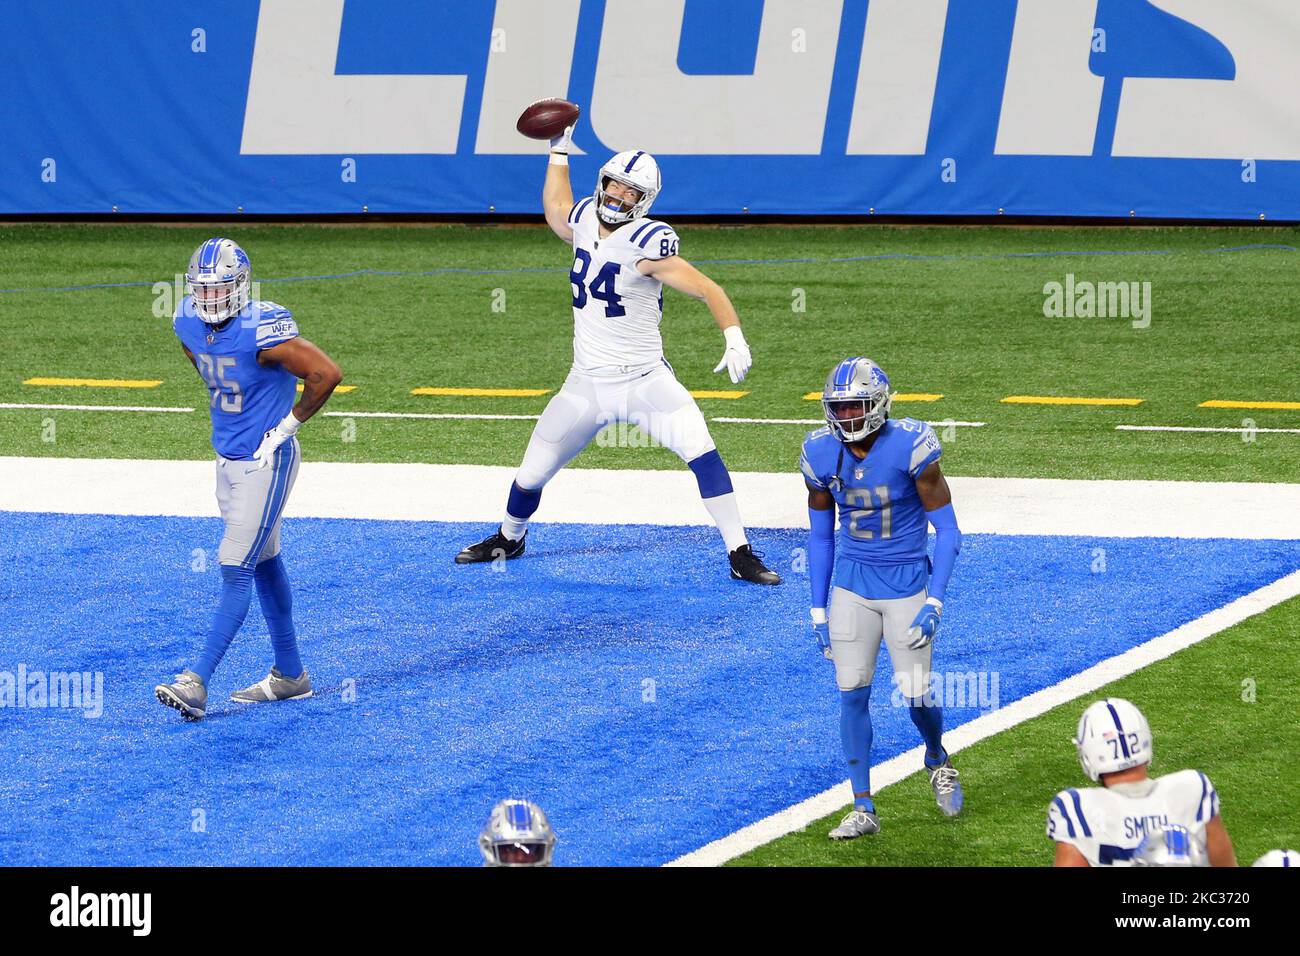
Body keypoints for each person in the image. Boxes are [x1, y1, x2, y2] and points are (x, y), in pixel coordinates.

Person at [455, 119, 778, 585]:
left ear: (643, 201)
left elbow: (708, 288)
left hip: (645, 380)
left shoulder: (649, 243)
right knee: (531, 473)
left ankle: (740, 552)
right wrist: (558, 150)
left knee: (702, 452)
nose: (618, 196)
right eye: (614, 185)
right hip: (586, 381)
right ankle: (510, 537)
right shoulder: (586, 217)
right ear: (602, 182)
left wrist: (733, 335)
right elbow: (556, 209)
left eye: (630, 192)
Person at [154, 238, 342, 719]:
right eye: (202, 289)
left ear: (240, 288)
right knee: (265, 561)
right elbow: (198, 354)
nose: (209, 299)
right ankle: (290, 675)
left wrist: (284, 428)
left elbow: (325, 373)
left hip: (266, 461)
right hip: (227, 459)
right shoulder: (187, 320)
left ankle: (195, 682)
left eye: (219, 290)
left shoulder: (264, 327)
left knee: (234, 565)